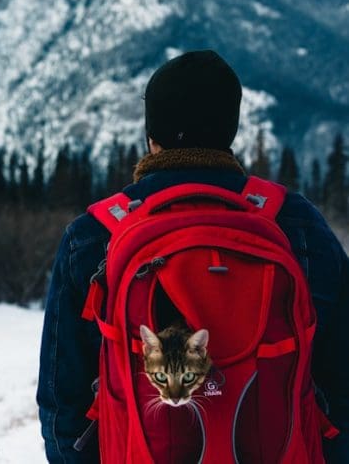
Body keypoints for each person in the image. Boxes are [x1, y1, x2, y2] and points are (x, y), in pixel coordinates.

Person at [36, 50, 349, 462]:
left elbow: (63, 399)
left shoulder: (96, 233)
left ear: (152, 136)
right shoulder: (297, 223)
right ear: (230, 132)